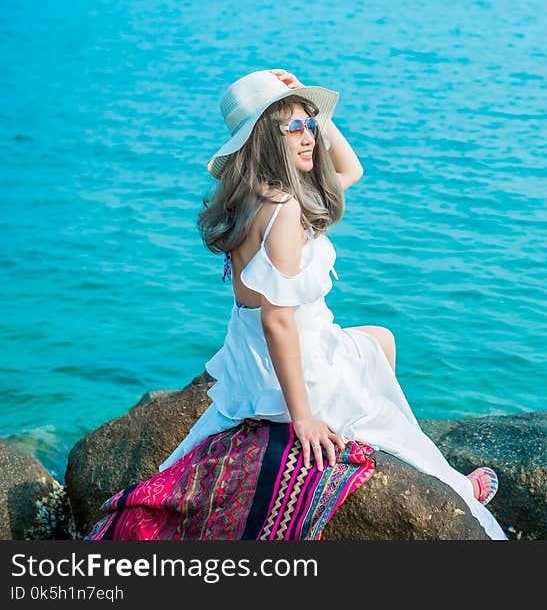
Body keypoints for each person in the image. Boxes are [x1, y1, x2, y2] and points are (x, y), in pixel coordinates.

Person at [159, 69, 507, 540]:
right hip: (296, 359)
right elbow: (278, 320)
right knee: (380, 391)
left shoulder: (248, 196)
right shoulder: (283, 209)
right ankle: (453, 486)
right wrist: (302, 417)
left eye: (311, 125)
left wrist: (309, 105)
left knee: (380, 341)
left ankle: (428, 465)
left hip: (252, 357)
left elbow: (351, 170)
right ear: (265, 139)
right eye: (294, 127)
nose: (309, 136)